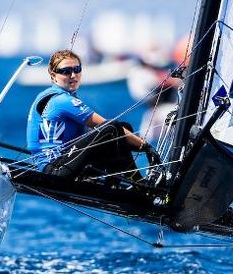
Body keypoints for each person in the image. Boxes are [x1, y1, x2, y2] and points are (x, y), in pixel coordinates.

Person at [26, 49, 160, 182]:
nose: (73, 75)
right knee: (112, 128)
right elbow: (107, 126)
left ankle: (114, 183)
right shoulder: (61, 100)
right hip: (55, 170)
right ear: (53, 75)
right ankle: (137, 182)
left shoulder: (50, 95)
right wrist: (147, 147)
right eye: (66, 71)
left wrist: (140, 147)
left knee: (124, 128)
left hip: (65, 161)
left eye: (77, 69)